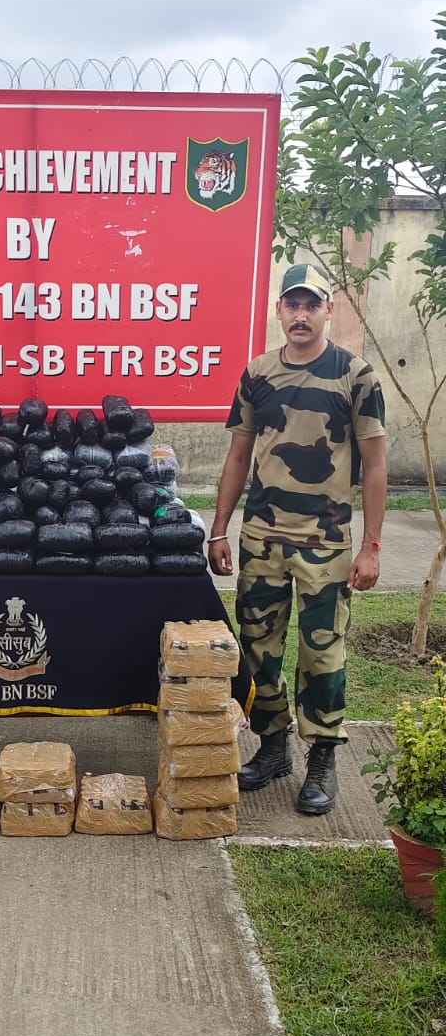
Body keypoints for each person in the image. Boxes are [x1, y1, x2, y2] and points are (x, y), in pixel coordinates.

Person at [208, 262, 387, 814]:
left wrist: (371, 545)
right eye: (293, 304)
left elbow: (375, 465)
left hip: (325, 545)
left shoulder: (355, 376)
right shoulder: (258, 374)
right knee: (258, 649)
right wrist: (219, 528)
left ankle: (323, 756)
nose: (302, 315)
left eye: (312, 305)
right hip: (261, 539)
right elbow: (239, 454)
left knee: (322, 653)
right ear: (279, 310)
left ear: (328, 310)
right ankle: (272, 746)